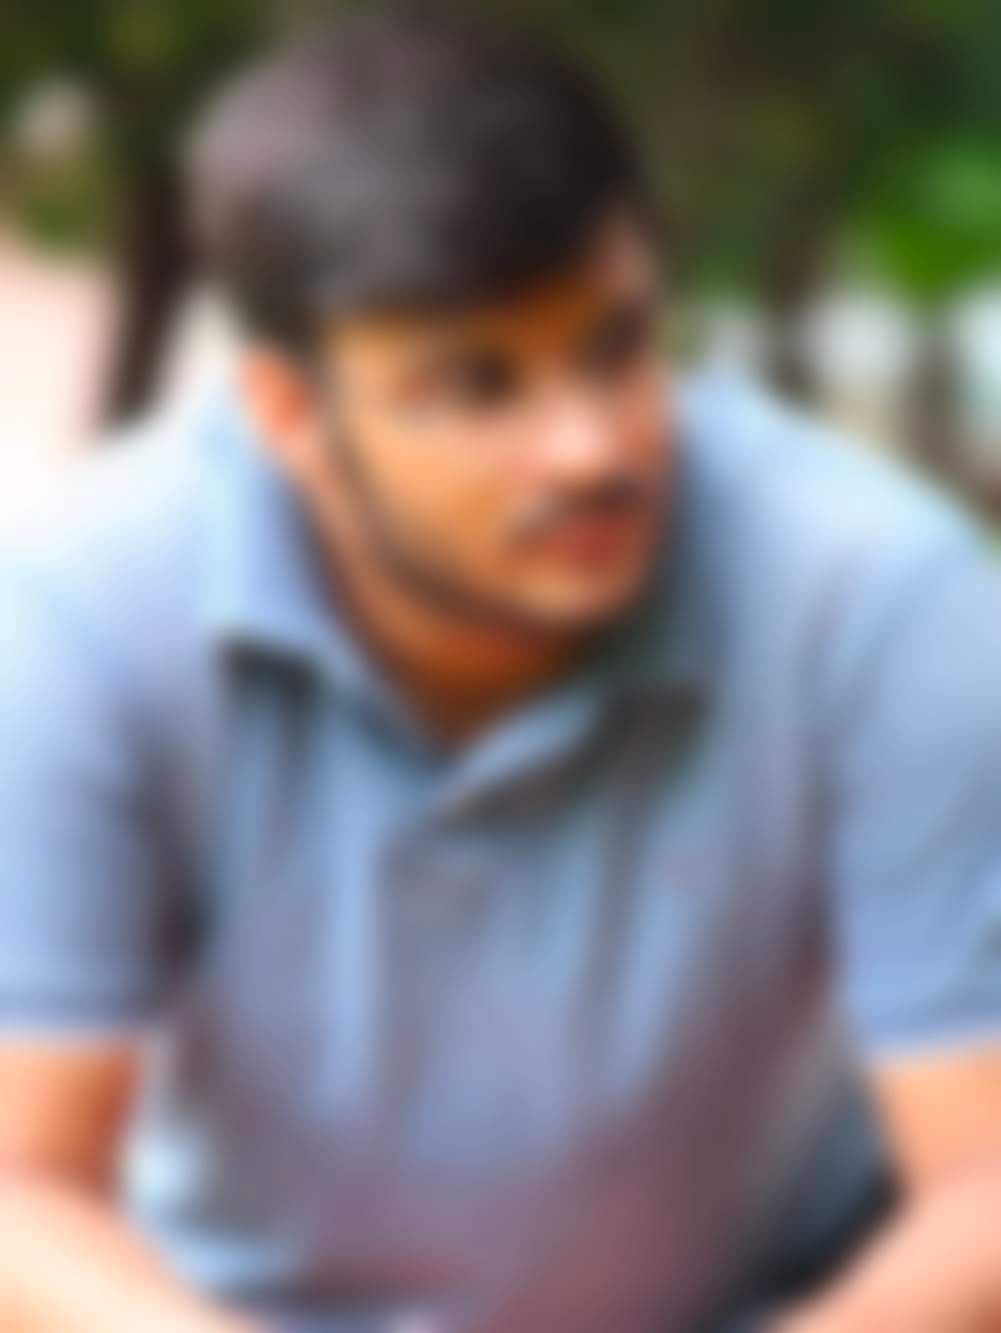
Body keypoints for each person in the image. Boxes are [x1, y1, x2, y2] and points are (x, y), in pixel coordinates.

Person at [1, 6, 1001, 1331]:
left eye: (618, 344)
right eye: (477, 385)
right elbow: (22, 1187)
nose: (592, 447)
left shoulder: (879, 597)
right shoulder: (76, 618)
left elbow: (984, 1182)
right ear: (290, 414)